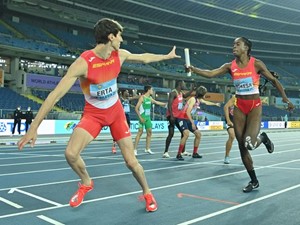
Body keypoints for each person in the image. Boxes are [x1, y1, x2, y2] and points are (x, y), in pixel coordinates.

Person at [17, 18, 181, 212]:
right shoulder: (83, 63)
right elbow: (55, 95)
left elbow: (145, 57)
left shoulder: (119, 55)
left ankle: (147, 192)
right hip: (93, 115)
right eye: (120, 36)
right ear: (111, 37)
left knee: (131, 162)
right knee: (70, 153)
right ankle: (86, 182)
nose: (122, 40)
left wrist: (166, 56)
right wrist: (33, 127)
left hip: (116, 113)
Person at [186, 36, 294, 192]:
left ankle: (263, 138)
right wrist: (193, 69)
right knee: (242, 146)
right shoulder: (230, 66)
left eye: (238, 44)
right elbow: (211, 73)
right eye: (233, 44)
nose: (234, 47)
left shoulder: (256, 64)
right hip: (239, 107)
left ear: (246, 48)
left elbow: (274, 81)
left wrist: (285, 99)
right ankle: (254, 181)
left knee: (249, 143)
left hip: (254, 106)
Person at [175, 86, 220, 160]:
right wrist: (192, 123)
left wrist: (215, 104)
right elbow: (187, 111)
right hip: (182, 118)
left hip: (187, 119)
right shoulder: (193, 99)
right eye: (205, 93)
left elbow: (206, 102)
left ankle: (195, 153)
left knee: (198, 134)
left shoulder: (199, 100)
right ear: (202, 94)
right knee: (186, 134)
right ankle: (179, 154)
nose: (205, 95)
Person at [163, 80, 194, 158]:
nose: (184, 85)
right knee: (171, 133)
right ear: (180, 84)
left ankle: (183, 151)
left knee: (184, 133)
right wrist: (171, 116)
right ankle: (165, 152)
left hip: (178, 116)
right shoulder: (173, 93)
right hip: (171, 116)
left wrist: (192, 90)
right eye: (183, 84)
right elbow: (169, 105)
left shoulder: (181, 93)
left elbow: (185, 96)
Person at [133, 85, 167, 156]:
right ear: (148, 90)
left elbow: (156, 102)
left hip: (148, 118)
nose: (152, 91)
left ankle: (147, 148)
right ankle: (134, 149)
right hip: (142, 117)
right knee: (140, 132)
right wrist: (140, 118)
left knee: (149, 132)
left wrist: (165, 104)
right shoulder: (142, 98)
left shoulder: (150, 98)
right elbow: (136, 108)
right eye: (152, 89)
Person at [111, 89, 140, 153]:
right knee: (118, 130)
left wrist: (136, 94)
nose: (128, 93)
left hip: (127, 115)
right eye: (126, 92)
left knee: (127, 130)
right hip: (121, 115)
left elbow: (137, 97)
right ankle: (114, 145)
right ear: (123, 93)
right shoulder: (120, 99)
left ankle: (125, 146)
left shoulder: (128, 99)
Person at [223, 95, 236, 164]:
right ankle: (227, 156)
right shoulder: (235, 97)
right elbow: (225, 107)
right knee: (232, 136)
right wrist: (228, 120)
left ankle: (245, 155)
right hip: (231, 120)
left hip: (240, 121)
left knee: (244, 139)